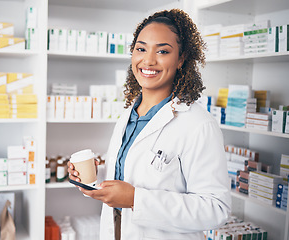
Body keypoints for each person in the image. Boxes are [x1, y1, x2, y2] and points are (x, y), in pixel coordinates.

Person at [68, 8, 231, 240]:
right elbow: (132, 176)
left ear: (181, 59)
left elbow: (216, 209)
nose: (148, 60)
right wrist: (92, 178)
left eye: (163, 51)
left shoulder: (198, 124)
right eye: (141, 49)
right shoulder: (128, 114)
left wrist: (136, 200)